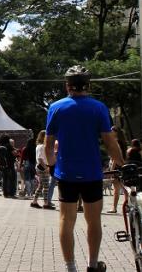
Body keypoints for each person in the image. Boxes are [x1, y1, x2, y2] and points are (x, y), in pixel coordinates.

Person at [45, 66, 124, 272]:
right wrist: (123, 164)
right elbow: (110, 143)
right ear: (88, 85)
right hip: (92, 173)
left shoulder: (55, 107)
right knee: (93, 220)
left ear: (67, 85)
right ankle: (92, 264)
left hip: (66, 173)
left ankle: (70, 267)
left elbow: (47, 144)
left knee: (66, 220)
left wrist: (53, 166)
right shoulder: (98, 107)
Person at [31, 130, 53, 209]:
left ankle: (34, 201)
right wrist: (46, 168)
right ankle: (46, 203)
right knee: (46, 186)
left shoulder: (39, 146)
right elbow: (40, 159)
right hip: (42, 167)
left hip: (40, 167)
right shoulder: (41, 146)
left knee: (41, 186)